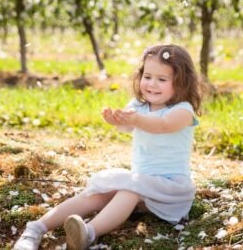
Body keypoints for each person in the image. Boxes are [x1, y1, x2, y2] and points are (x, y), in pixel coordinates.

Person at [13, 44, 205, 250]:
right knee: (99, 194)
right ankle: (35, 229)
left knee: (129, 190)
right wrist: (117, 120)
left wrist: (136, 119)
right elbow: (127, 126)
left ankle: (87, 234)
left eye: (162, 79)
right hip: (141, 185)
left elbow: (162, 126)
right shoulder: (139, 106)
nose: (152, 84)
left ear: (181, 82)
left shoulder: (183, 111)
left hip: (170, 189)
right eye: (147, 77)